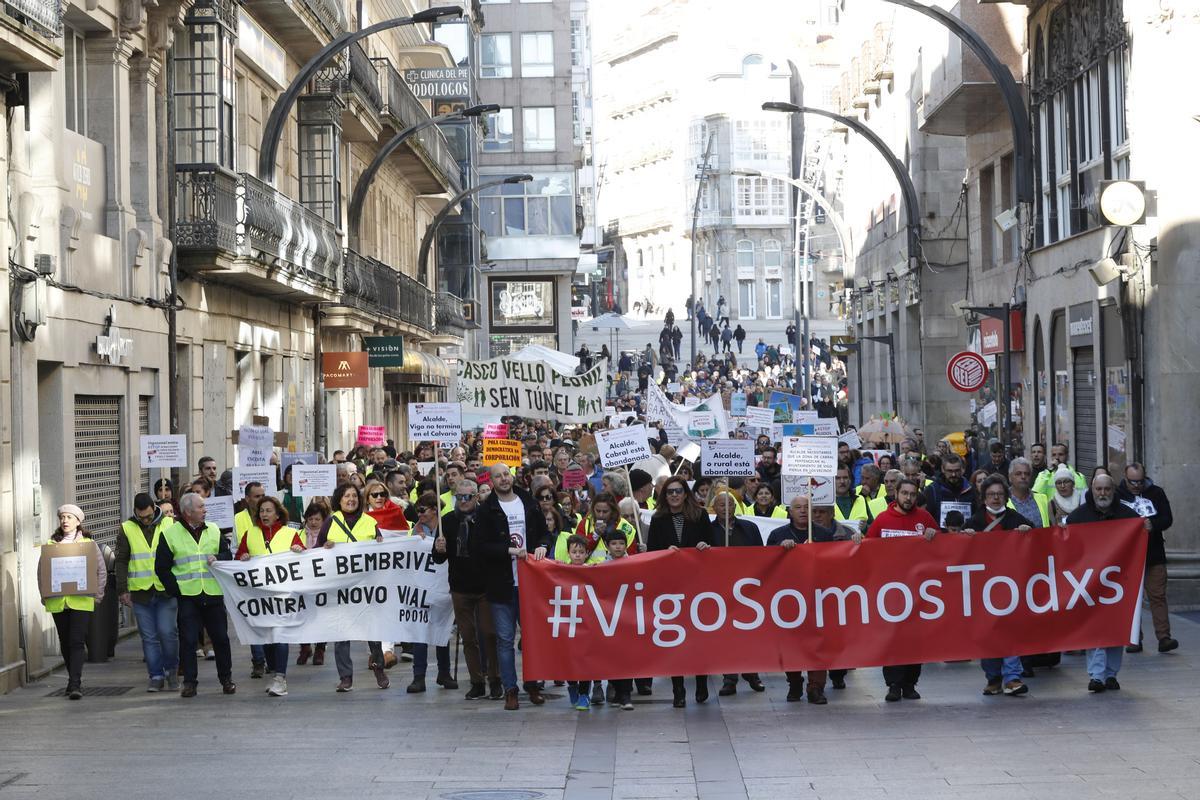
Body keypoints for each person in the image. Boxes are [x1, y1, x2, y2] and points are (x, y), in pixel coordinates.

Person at [476, 463, 550, 710]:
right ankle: (511, 689)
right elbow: (481, 546)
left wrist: (541, 545)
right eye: (498, 476)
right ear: (492, 481)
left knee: (530, 639)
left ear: (512, 475)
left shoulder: (528, 501)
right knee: (505, 640)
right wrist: (507, 550)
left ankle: (533, 684)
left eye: (506, 474)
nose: (504, 479)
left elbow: (544, 533)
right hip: (501, 585)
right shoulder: (487, 510)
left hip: (529, 583)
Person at [1066, 473, 1148, 693]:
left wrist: (1144, 529)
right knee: (1094, 628)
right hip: (1089, 582)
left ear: (1113, 491)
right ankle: (1096, 676)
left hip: (1118, 584)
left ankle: (1111, 674)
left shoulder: (1128, 516)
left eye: (1107, 489)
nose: (1102, 493)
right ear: (1092, 490)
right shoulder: (1077, 518)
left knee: (1115, 629)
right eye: (1098, 489)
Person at [861, 479, 938, 701]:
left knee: (914, 639)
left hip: (918, 591)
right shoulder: (883, 521)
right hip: (890, 592)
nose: (908, 498)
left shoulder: (924, 519)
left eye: (913, 494)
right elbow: (867, 550)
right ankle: (894, 684)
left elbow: (943, 546)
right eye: (904, 493)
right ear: (896, 493)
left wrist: (935, 535)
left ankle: (910, 683)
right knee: (892, 638)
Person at [155, 493, 235, 698]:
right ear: (188, 512)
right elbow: (162, 568)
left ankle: (226, 679)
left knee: (220, 639)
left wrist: (218, 556)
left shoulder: (215, 530)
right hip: (188, 596)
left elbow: (228, 557)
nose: (205, 510)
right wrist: (176, 590)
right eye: (201, 507)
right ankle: (190, 682)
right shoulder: (171, 534)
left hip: (213, 593)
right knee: (188, 640)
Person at [961, 476, 1034, 697]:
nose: (995, 498)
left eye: (999, 494)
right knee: (988, 633)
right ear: (983, 498)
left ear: (1006, 497)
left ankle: (1012, 677)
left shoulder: (1016, 519)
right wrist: (965, 538)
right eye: (991, 494)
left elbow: (1036, 543)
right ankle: (993, 677)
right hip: (983, 588)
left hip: (1011, 586)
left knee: (1009, 629)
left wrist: (1027, 533)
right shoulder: (973, 522)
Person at [647, 476, 715, 708]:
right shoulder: (658, 520)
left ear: (686, 493)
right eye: (669, 492)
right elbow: (653, 553)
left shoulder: (701, 515)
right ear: (664, 496)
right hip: (671, 588)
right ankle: (678, 689)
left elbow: (713, 545)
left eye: (678, 491)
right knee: (674, 638)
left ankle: (701, 680)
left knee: (698, 636)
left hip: (697, 587)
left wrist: (706, 547)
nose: (674, 495)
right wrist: (664, 552)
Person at [315, 483, 390, 692]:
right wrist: (324, 548)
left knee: (373, 632)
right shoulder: (331, 522)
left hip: (366, 587)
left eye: (354, 496)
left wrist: (381, 542)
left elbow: (383, 551)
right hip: (340, 588)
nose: (351, 500)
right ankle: (345, 677)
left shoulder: (370, 522)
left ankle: (378, 668)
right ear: (339, 500)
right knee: (342, 634)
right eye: (346, 496)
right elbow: (315, 551)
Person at [435, 480, 502, 701]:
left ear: (476, 497)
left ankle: (495, 679)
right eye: (459, 497)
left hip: (485, 586)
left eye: (467, 497)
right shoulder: (447, 522)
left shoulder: (487, 518)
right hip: (460, 587)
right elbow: (437, 558)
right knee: (468, 636)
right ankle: (476, 682)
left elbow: (496, 548)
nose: (462, 501)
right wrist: (439, 548)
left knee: (489, 633)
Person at [767, 495, 838, 703]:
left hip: (818, 596)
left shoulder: (824, 534)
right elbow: (766, 564)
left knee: (818, 643)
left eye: (806, 507)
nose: (802, 510)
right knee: (791, 643)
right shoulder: (777, 535)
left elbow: (836, 561)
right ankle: (795, 682)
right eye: (797, 507)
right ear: (789, 511)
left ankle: (816, 687)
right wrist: (781, 549)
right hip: (789, 599)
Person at [238, 496, 304, 696]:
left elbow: (306, 560)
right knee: (267, 638)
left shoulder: (290, 534)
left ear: (277, 514)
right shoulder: (250, 534)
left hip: (284, 596)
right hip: (260, 597)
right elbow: (238, 560)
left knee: (280, 635)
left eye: (268, 510)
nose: (264, 514)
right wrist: (243, 558)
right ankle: (275, 672)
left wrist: (300, 550)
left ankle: (280, 678)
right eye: (262, 511)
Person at [116, 493, 178, 693]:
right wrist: (122, 589)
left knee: (167, 633)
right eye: (141, 517)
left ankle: (171, 670)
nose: (145, 520)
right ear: (135, 511)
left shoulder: (169, 524)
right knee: (149, 637)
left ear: (154, 507)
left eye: (149, 516)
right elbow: (121, 560)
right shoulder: (127, 528)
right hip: (141, 592)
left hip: (165, 590)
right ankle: (156, 676)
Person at [43, 505, 106, 700]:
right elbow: (42, 573)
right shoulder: (51, 544)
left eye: (69, 517)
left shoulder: (88, 544)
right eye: (62, 517)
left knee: (76, 641)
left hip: (81, 601)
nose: (65, 520)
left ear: (78, 521)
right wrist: (44, 594)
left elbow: (100, 570)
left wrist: (98, 595)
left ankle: (75, 683)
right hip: (58, 602)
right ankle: (73, 679)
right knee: (65, 642)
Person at [1116, 464, 1178, 654]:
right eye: (1132, 481)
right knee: (1131, 599)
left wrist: (1155, 524)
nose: (1136, 485)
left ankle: (1164, 637)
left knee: (1157, 595)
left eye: (1140, 481)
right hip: (1128, 557)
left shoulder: (1156, 493)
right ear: (1125, 479)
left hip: (1154, 554)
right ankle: (1134, 639)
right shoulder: (1118, 495)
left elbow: (1168, 518)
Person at [406, 492, 455, 693]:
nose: (419, 514)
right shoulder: (415, 531)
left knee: (442, 629)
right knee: (421, 631)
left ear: (434, 509)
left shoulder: (448, 528)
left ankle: (444, 673)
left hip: (443, 586)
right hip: (422, 587)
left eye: (422, 510)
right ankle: (419, 676)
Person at [296, 502, 330, 667]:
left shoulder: (330, 535)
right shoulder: (298, 534)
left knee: (321, 615)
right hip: (302, 581)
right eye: (311, 519)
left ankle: (320, 649)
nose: (314, 522)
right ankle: (304, 647)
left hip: (322, 581)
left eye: (317, 519)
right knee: (302, 614)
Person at [923, 453, 976, 529]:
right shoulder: (932, 490)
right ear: (942, 469)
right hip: (940, 538)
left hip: (966, 537)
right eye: (950, 471)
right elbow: (925, 517)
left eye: (957, 470)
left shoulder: (971, 489)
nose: (953, 474)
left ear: (962, 470)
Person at [1007, 457, 1050, 527]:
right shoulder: (1003, 501)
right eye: (1018, 474)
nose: (1023, 476)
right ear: (1010, 477)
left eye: (1027, 474)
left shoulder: (1043, 499)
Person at [233, 481, 266, 550]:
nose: (261, 499)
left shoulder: (273, 515)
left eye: (263, 496)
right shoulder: (238, 518)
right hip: (249, 560)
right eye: (257, 496)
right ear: (247, 499)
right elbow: (234, 549)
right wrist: (242, 555)